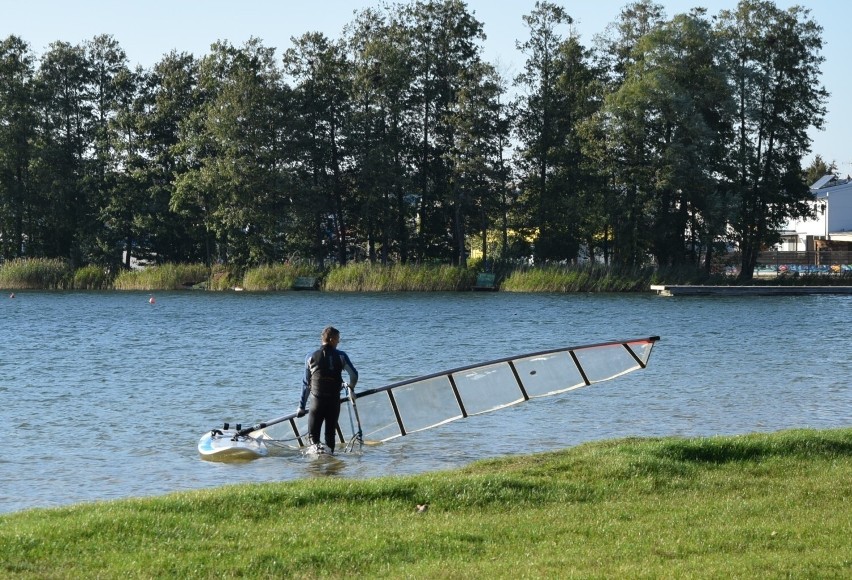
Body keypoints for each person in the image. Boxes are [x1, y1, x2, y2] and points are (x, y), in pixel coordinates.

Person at [297, 326, 358, 454]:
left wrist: (301, 406)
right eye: (337, 339)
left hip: (316, 402)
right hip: (333, 402)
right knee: (330, 435)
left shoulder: (310, 356)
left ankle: (315, 465)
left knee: (313, 437)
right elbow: (354, 375)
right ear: (331, 339)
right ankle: (331, 465)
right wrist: (351, 388)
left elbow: (306, 384)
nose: (338, 342)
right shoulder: (341, 356)